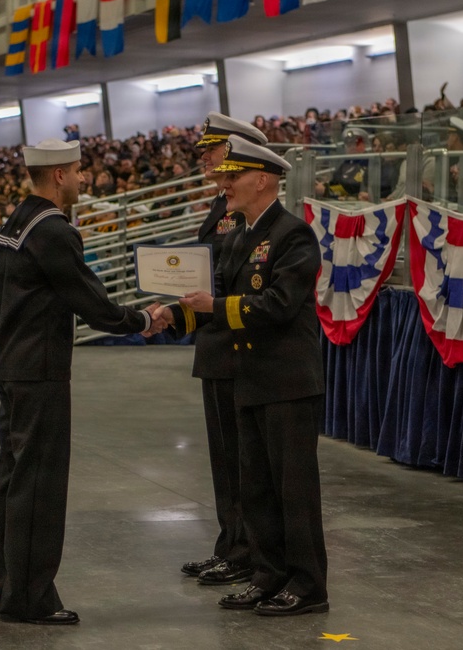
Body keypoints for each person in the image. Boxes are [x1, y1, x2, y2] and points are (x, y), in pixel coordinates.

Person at [0, 138, 166, 625]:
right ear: (59, 176)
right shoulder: (53, 230)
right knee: (39, 485)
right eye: (78, 170)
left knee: (12, 479)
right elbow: (90, 300)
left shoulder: (15, 221)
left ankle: (5, 589)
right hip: (41, 369)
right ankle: (30, 599)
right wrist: (142, 320)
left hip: (12, 365)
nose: (84, 178)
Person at [160, 135, 329, 616]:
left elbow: (277, 305)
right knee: (255, 487)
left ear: (263, 179)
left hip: (287, 381)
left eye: (234, 176)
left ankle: (308, 584)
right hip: (249, 377)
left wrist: (212, 306)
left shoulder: (294, 234)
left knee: (292, 490)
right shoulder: (239, 234)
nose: (225, 183)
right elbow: (215, 305)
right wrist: (176, 314)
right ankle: (269, 574)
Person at [176, 113, 268, 588]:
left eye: (215, 151)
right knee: (224, 458)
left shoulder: (249, 214)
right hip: (215, 343)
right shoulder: (222, 206)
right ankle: (230, 544)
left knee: (240, 458)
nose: (207, 159)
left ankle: (246, 551)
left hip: (235, 345)